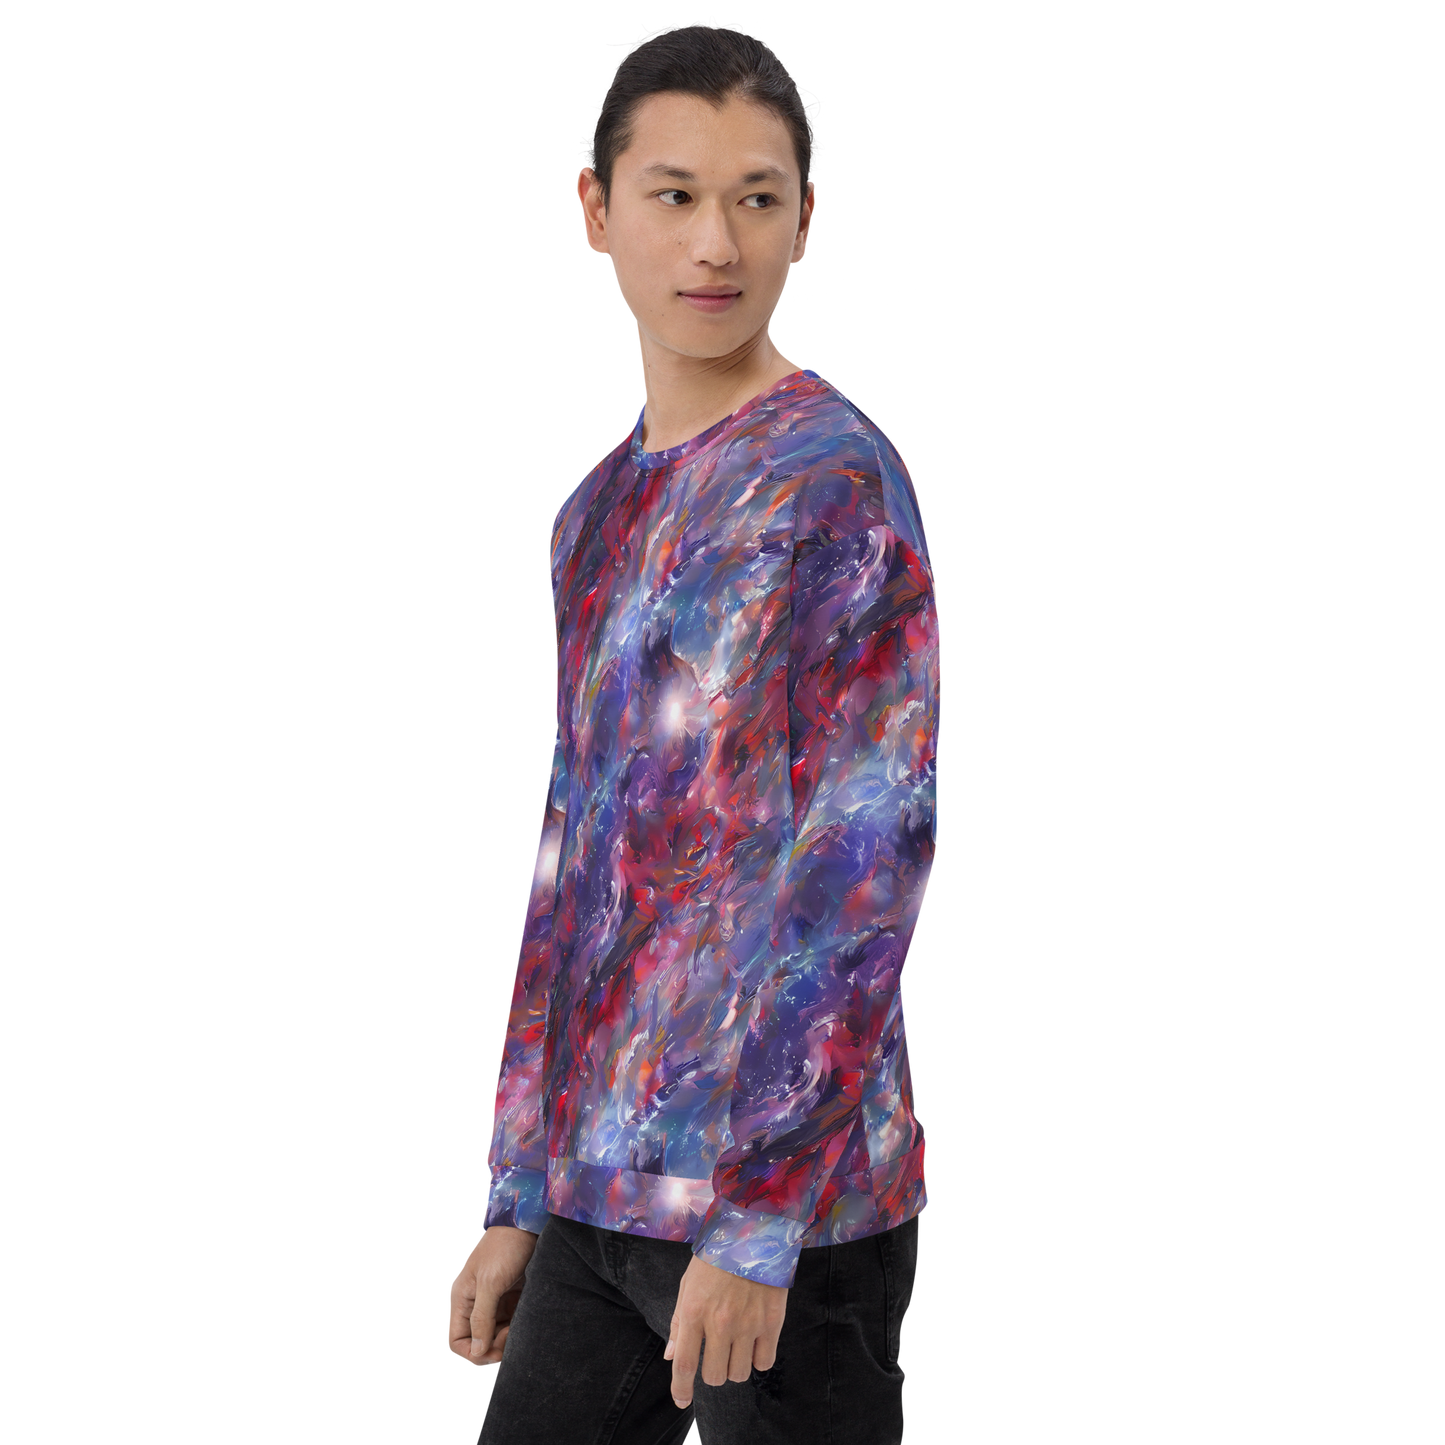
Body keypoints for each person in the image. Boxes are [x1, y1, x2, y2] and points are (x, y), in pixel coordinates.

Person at [446, 16, 940, 1444]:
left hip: (788, 1222)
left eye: (756, 198)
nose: (716, 244)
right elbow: (573, 858)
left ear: (805, 224)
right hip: (597, 1197)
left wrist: (762, 1211)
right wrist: (518, 1192)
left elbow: (867, 857)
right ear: (596, 210)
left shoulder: (835, 481)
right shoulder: (591, 514)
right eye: (675, 194)